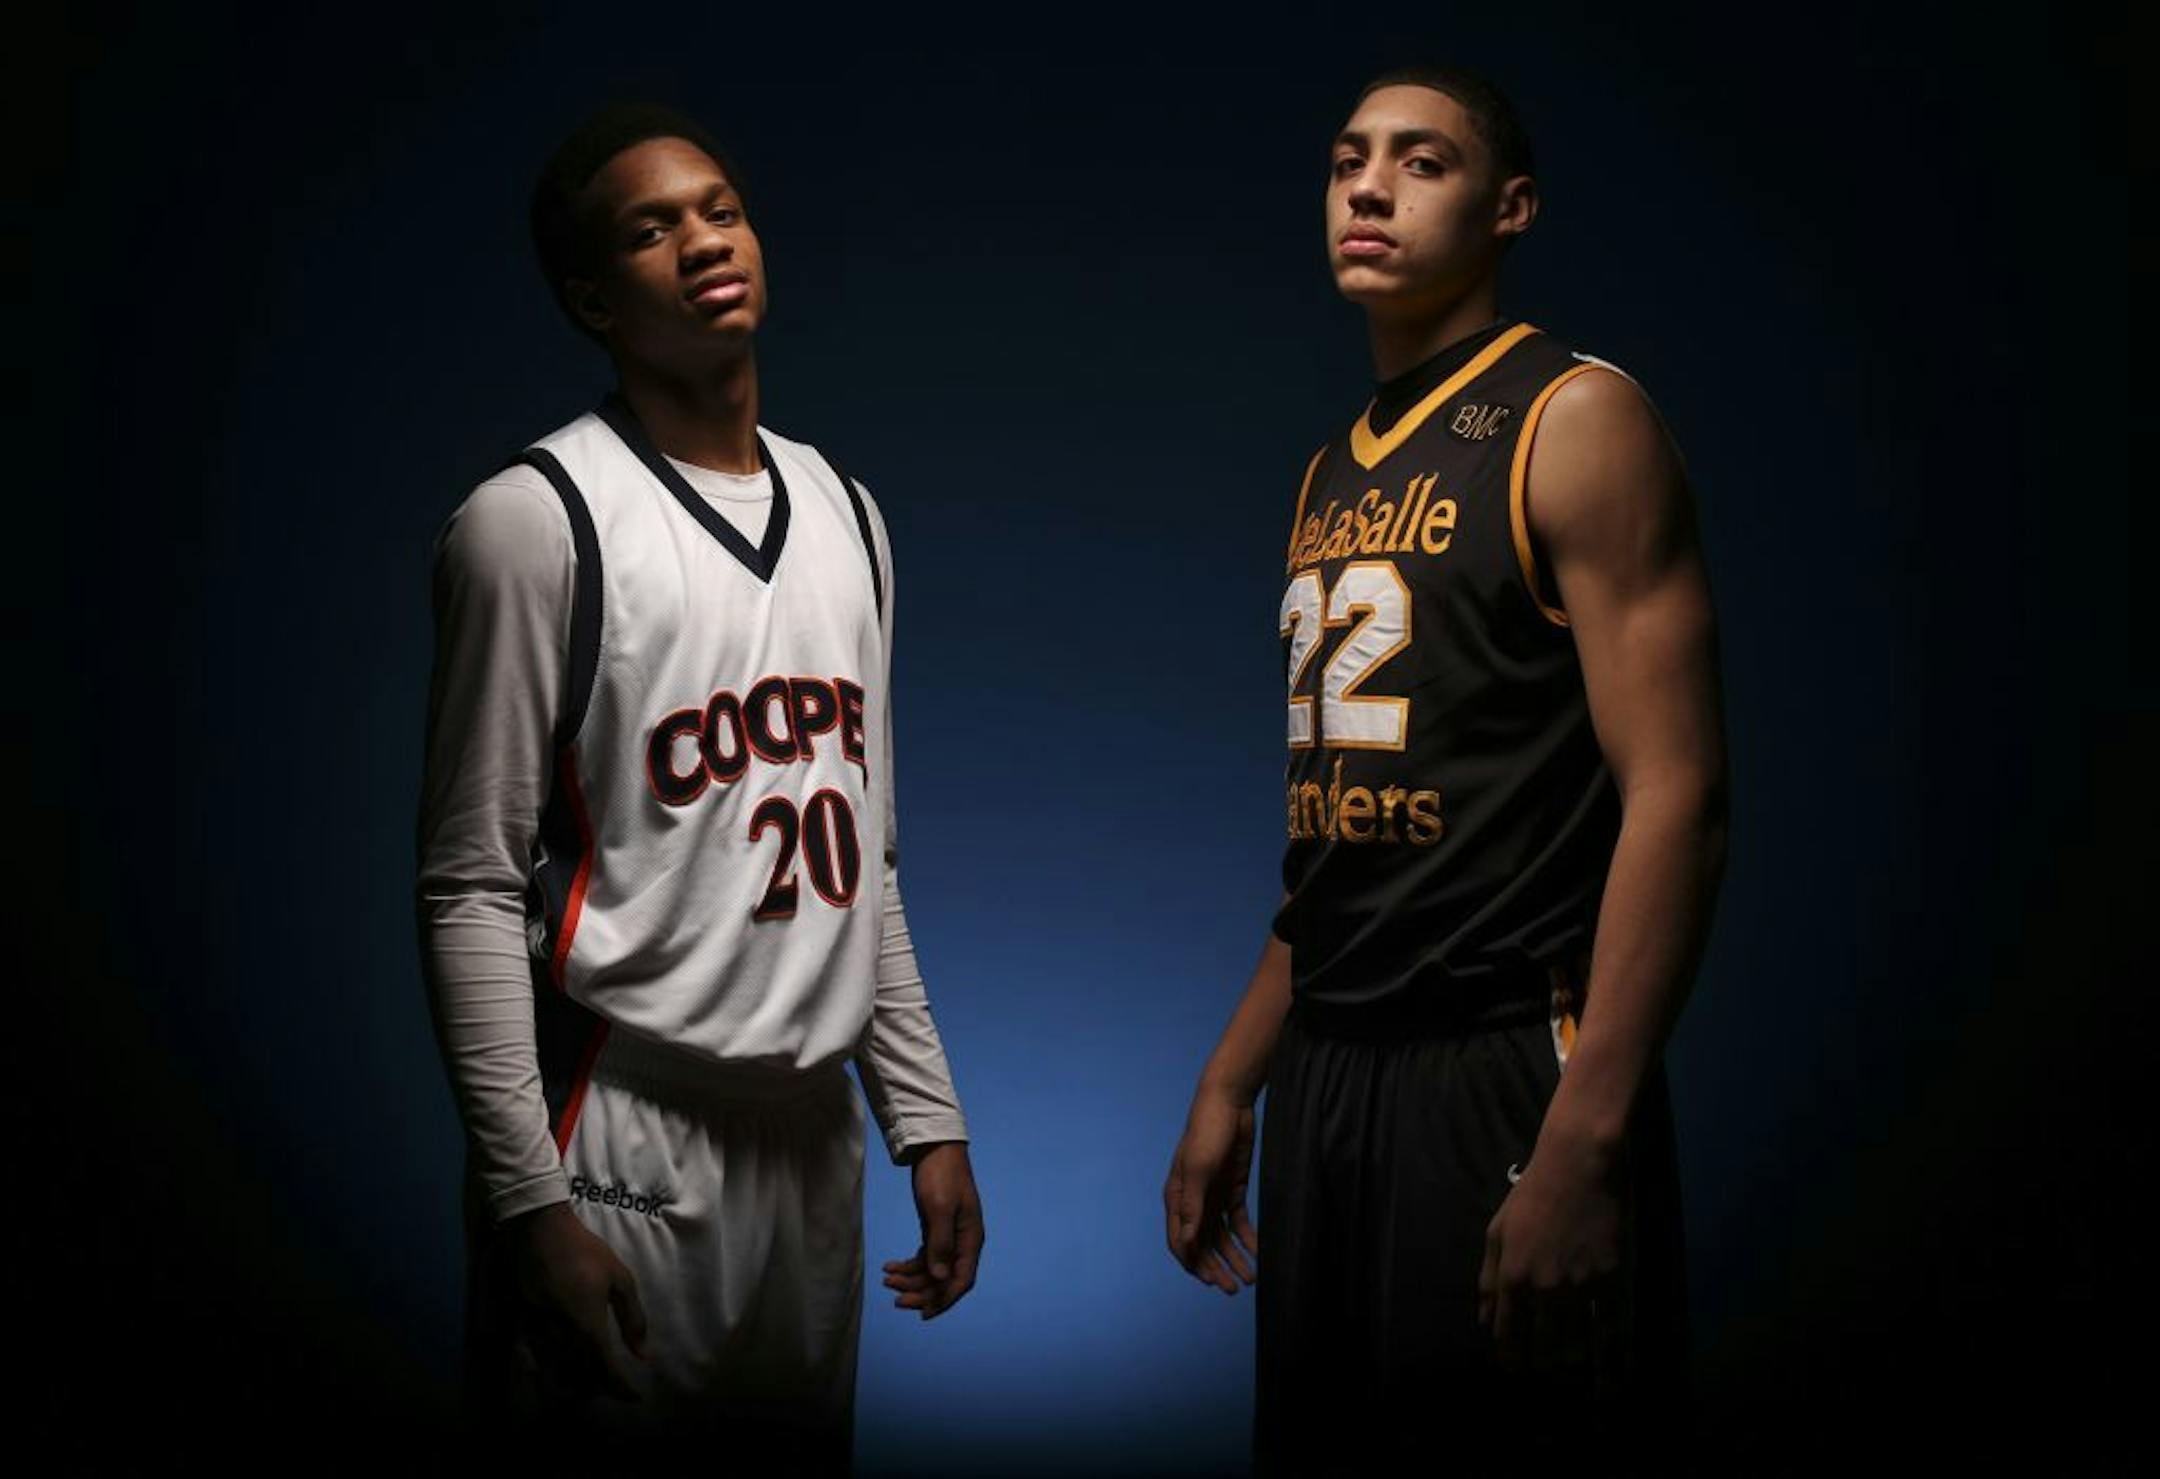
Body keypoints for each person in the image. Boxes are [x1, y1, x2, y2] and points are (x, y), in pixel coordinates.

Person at [1164, 66, 1727, 1476]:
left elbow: (1679, 792)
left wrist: (1585, 1136)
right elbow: (1349, 834)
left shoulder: (1574, 417)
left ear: (1509, 208)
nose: (1368, 186)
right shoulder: (1329, 475)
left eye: (1422, 162)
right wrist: (1234, 1079)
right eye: (1349, 159)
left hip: (1503, 1056)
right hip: (1329, 1068)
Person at [415, 104, 983, 1466]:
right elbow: (470, 886)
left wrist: (926, 1119)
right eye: (650, 229)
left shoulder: (849, 514)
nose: (703, 241)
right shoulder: (533, 521)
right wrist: (527, 1200)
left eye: (720, 210)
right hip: (623, 1130)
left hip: (814, 1140)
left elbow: (865, 863)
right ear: (593, 299)